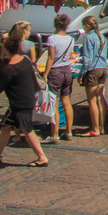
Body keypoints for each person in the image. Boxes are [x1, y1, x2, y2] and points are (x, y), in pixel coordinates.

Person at [0, 22, 49, 167]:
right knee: (6, 127)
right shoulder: (25, 60)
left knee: (27, 130)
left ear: (7, 49)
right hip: (24, 101)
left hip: (20, 104)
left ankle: (42, 157)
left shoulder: (9, 69)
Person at [41, 13, 78, 142]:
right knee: (67, 102)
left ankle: (54, 134)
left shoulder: (52, 39)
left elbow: (50, 57)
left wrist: (45, 73)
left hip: (55, 71)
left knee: (54, 104)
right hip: (67, 70)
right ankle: (68, 132)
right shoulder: (71, 39)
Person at [75, 16, 107, 137]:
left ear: (87, 26)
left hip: (93, 70)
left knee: (92, 100)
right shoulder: (102, 36)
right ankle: (101, 127)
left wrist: (81, 74)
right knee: (99, 98)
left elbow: (87, 60)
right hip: (103, 68)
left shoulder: (89, 37)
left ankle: (95, 129)